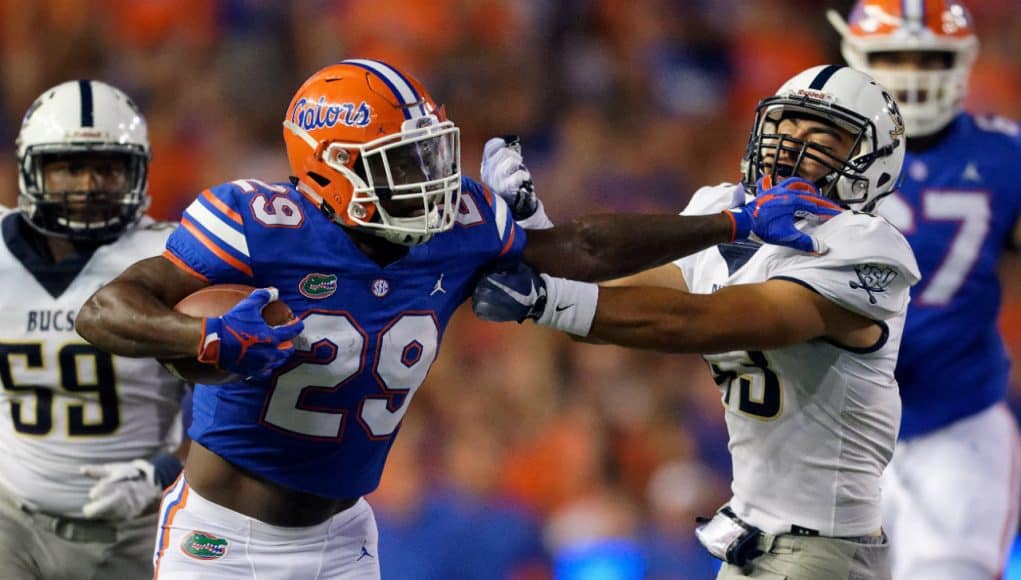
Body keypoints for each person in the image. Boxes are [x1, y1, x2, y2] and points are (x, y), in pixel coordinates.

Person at [72, 58, 841, 580]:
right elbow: (106, 309)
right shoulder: (257, 221)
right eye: (399, 164)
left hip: (343, 537)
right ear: (327, 168)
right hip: (222, 540)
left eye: (429, 154)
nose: (431, 179)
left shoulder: (461, 221)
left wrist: (729, 224)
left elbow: (581, 245)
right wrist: (203, 337)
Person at [473, 64, 918, 580]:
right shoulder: (726, 211)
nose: (793, 148)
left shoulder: (869, 249)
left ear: (873, 163)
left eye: (822, 137)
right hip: (755, 545)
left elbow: (704, 322)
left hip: (825, 553)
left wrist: (543, 299)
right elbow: (616, 299)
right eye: (787, 128)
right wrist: (535, 241)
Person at [828, 2, 1021, 578]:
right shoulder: (817, 155)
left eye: (928, 56)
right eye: (894, 57)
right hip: (832, 431)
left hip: (955, 424)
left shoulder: (1004, 155)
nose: (911, 72)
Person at [0, 80, 188, 580]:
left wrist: (162, 471)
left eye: (108, 167)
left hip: (131, 530)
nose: (88, 185)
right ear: (32, 168)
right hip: (10, 520)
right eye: (69, 166)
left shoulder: (169, 258)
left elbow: (233, 396)